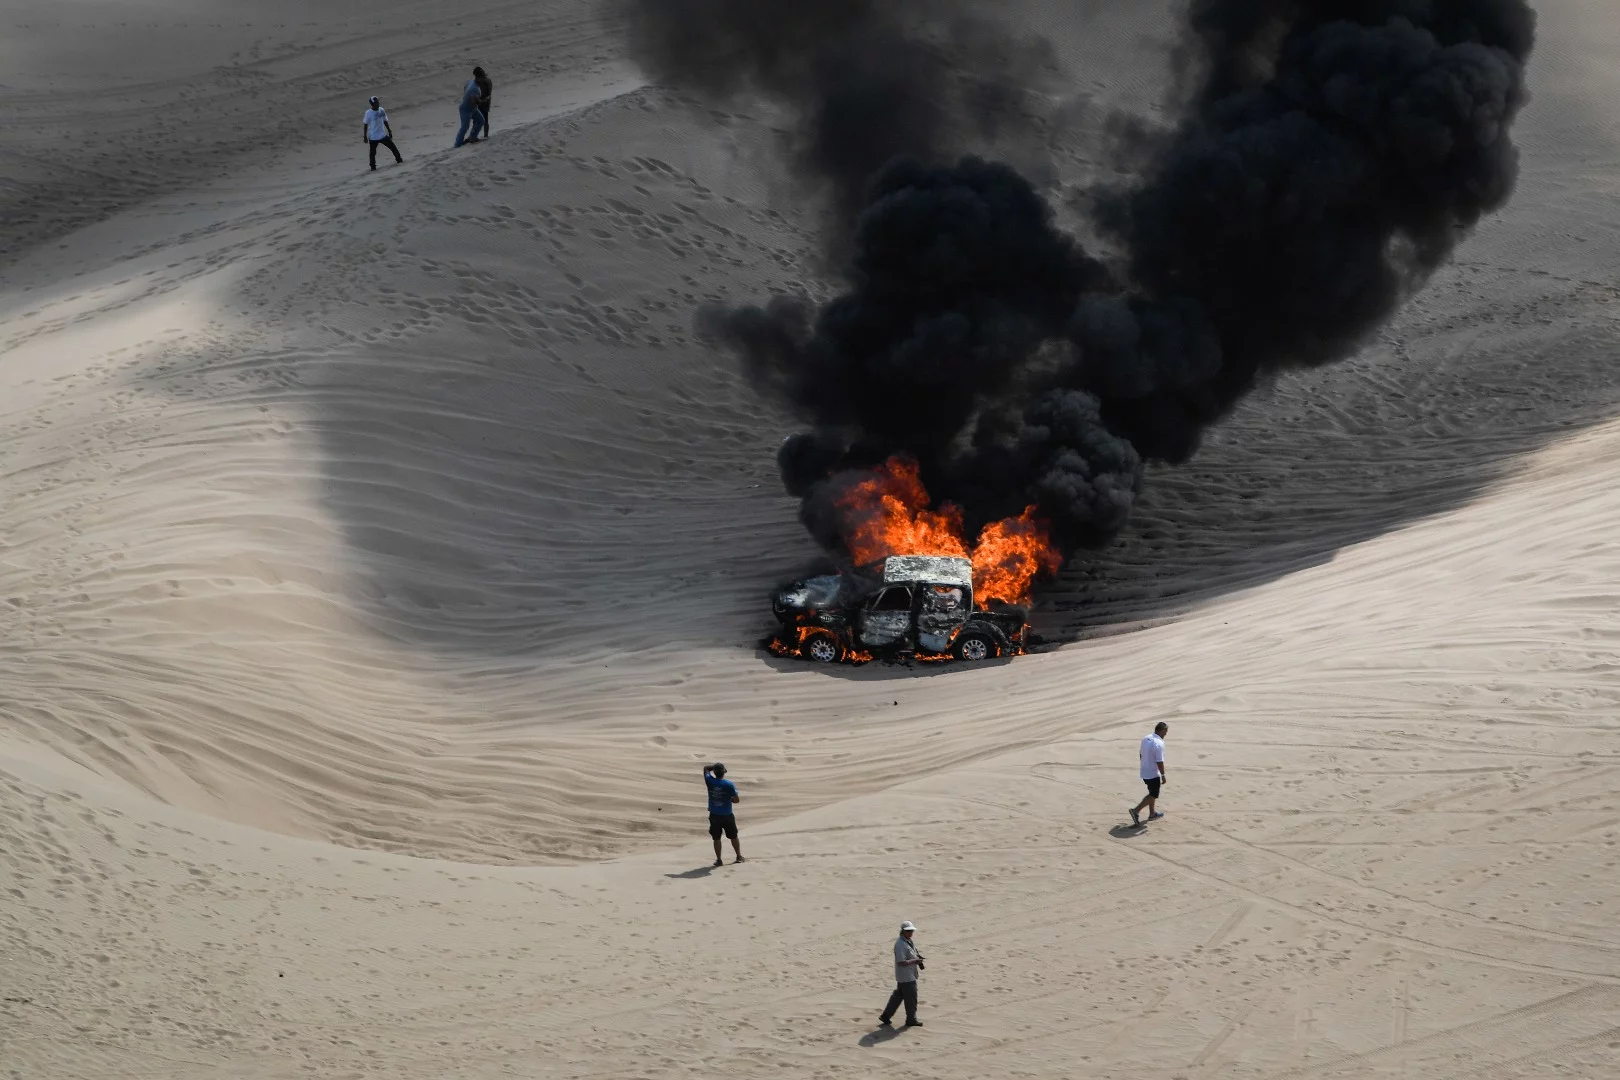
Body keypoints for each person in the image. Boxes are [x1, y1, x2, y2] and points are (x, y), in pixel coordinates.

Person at [879, 921, 924, 1028]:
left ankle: (885, 1016)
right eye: (908, 931)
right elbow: (901, 962)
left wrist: (917, 958)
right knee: (911, 998)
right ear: (903, 931)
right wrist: (915, 961)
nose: (910, 933)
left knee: (898, 996)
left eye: (911, 931)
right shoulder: (900, 944)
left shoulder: (907, 941)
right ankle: (911, 1020)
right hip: (906, 977)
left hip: (907, 975)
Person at [703, 762, 743, 866]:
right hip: (727, 815)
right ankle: (738, 856)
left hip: (714, 815)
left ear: (715, 772)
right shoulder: (729, 784)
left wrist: (715, 767)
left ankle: (719, 860)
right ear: (724, 772)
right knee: (733, 836)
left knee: (716, 838)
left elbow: (706, 768)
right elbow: (736, 800)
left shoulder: (709, 781)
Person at [1130, 722, 1169, 826]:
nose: (1166, 734)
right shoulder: (1159, 743)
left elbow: (1141, 754)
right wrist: (1163, 775)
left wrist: (1144, 765)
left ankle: (1152, 814)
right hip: (1153, 774)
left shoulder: (1146, 738)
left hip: (1144, 772)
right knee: (1153, 795)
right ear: (1162, 730)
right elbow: (1159, 761)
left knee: (1152, 793)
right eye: (1166, 732)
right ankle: (1136, 811)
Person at [362, 96, 403, 171]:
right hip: (373, 137)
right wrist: (364, 136)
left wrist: (389, 131)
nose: (378, 103)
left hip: (382, 135)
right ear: (372, 104)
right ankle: (373, 167)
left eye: (378, 102)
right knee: (372, 153)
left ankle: (399, 160)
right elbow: (365, 124)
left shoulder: (381, 110)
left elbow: (385, 121)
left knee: (393, 147)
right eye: (376, 102)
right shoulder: (368, 113)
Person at [453, 68, 485, 147]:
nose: (483, 79)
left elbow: (465, 87)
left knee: (481, 120)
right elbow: (475, 101)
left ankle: (473, 137)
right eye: (482, 77)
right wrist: (483, 100)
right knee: (464, 127)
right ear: (478, 77)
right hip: (465, 110)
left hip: (473, 109)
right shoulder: (474, 88)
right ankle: (457, 145)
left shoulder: (471, 82)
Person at [473, 66, 493, 136]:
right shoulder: (486, 80)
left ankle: (475, 136)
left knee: (478, 120)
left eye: (476, 76)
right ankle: (485, 135)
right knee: (484, 120)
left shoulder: (484, 81)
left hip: (482, 102)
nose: (475, 78)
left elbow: (485, 93)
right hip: (484, 102)